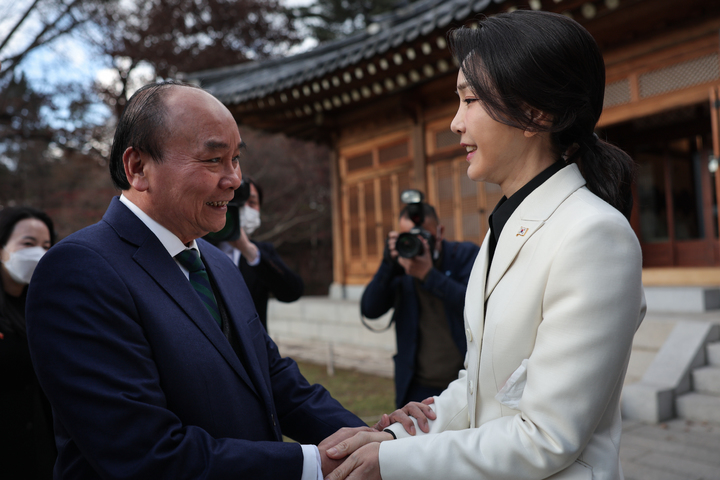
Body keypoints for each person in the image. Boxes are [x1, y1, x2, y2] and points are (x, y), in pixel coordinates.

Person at [322, 10, 646, 480]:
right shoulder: (504, 227)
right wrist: (398, 435)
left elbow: (547, 436)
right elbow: (480, 387)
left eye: (470, 100)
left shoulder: (593, 235)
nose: (456, 123)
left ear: (537, 113)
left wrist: (394, 462)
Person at [25, 81, 370, 479]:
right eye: (213, 160)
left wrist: (377, 441)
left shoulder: (218, 264)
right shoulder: (80, 272)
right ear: (137, 168)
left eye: (236, 158)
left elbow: (276, 382)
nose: (234, 179)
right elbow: (145, 453)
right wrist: (314, 465)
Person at [360, 203, 479, 408]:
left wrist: (429, 276)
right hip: (416, 386)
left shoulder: (465, 255)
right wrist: (388, 264)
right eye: (407, 237)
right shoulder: (400, 267)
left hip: (465, 382)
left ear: (440, 232)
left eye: (423, 235)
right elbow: (370, 309)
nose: (416, 242)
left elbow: (476, 306)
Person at [0, 206, 56, 479]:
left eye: (46, 245)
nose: (39, 253)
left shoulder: (44, 305)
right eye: (28, 243)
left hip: (40, 447)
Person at [217, 177, 304, 331]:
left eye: (252, 203)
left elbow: (292, 292)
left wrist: (250, 252)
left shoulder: (262, 252)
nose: (245, 207)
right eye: (239, 200)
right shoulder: (199, 246)